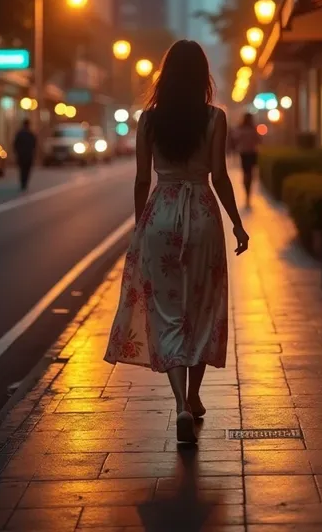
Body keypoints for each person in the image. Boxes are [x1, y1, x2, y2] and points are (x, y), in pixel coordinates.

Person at [105, 40, 249, 444]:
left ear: (165, 77)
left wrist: (140, 226)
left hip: (161, 215)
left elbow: (140, 179)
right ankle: (194, 394)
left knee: (167, 311)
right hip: (202, 213)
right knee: (201, 307)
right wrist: (237, 223)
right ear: (203, 75)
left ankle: (180, 405)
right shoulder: (215, 118)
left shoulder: (148, 120)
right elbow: (219, 176)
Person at [234, 112, 260, 208]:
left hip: (245, 153)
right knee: (249, 173)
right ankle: (248, 193)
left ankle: (247, 192)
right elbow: (258, 140)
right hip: (251, 153)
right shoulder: (253, 129)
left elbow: (235, 139)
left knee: (246, 173)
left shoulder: (241, 129)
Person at [13, 119, 37, 191]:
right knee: (26, 170)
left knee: (22, 170)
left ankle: (23, 183)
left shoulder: (19, 134)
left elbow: (15, 144)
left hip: (21, 155)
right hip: (28, 155)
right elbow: (34, 145)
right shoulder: (31, 134)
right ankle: (24, 183)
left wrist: (16, 152)